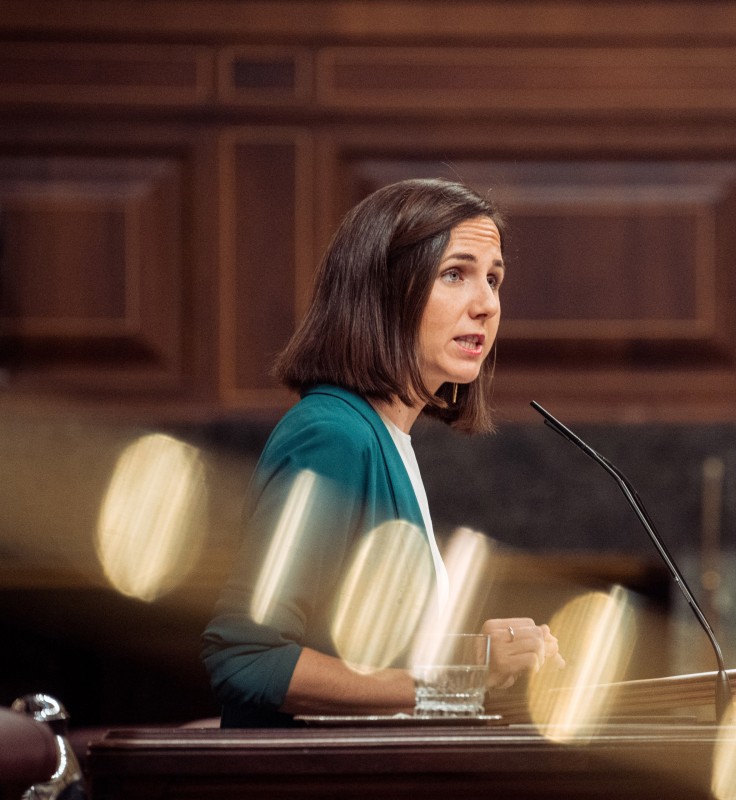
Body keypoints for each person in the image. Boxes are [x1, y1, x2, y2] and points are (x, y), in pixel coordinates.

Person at [202, 178, 562, 727]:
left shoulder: (382, 436)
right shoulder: (332, 436)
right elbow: (248, 659)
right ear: (383, 291)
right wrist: (451, 676)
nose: (486, 305)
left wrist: (476, 660)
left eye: (493, 279)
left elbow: (363, 660)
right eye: (455, 274)